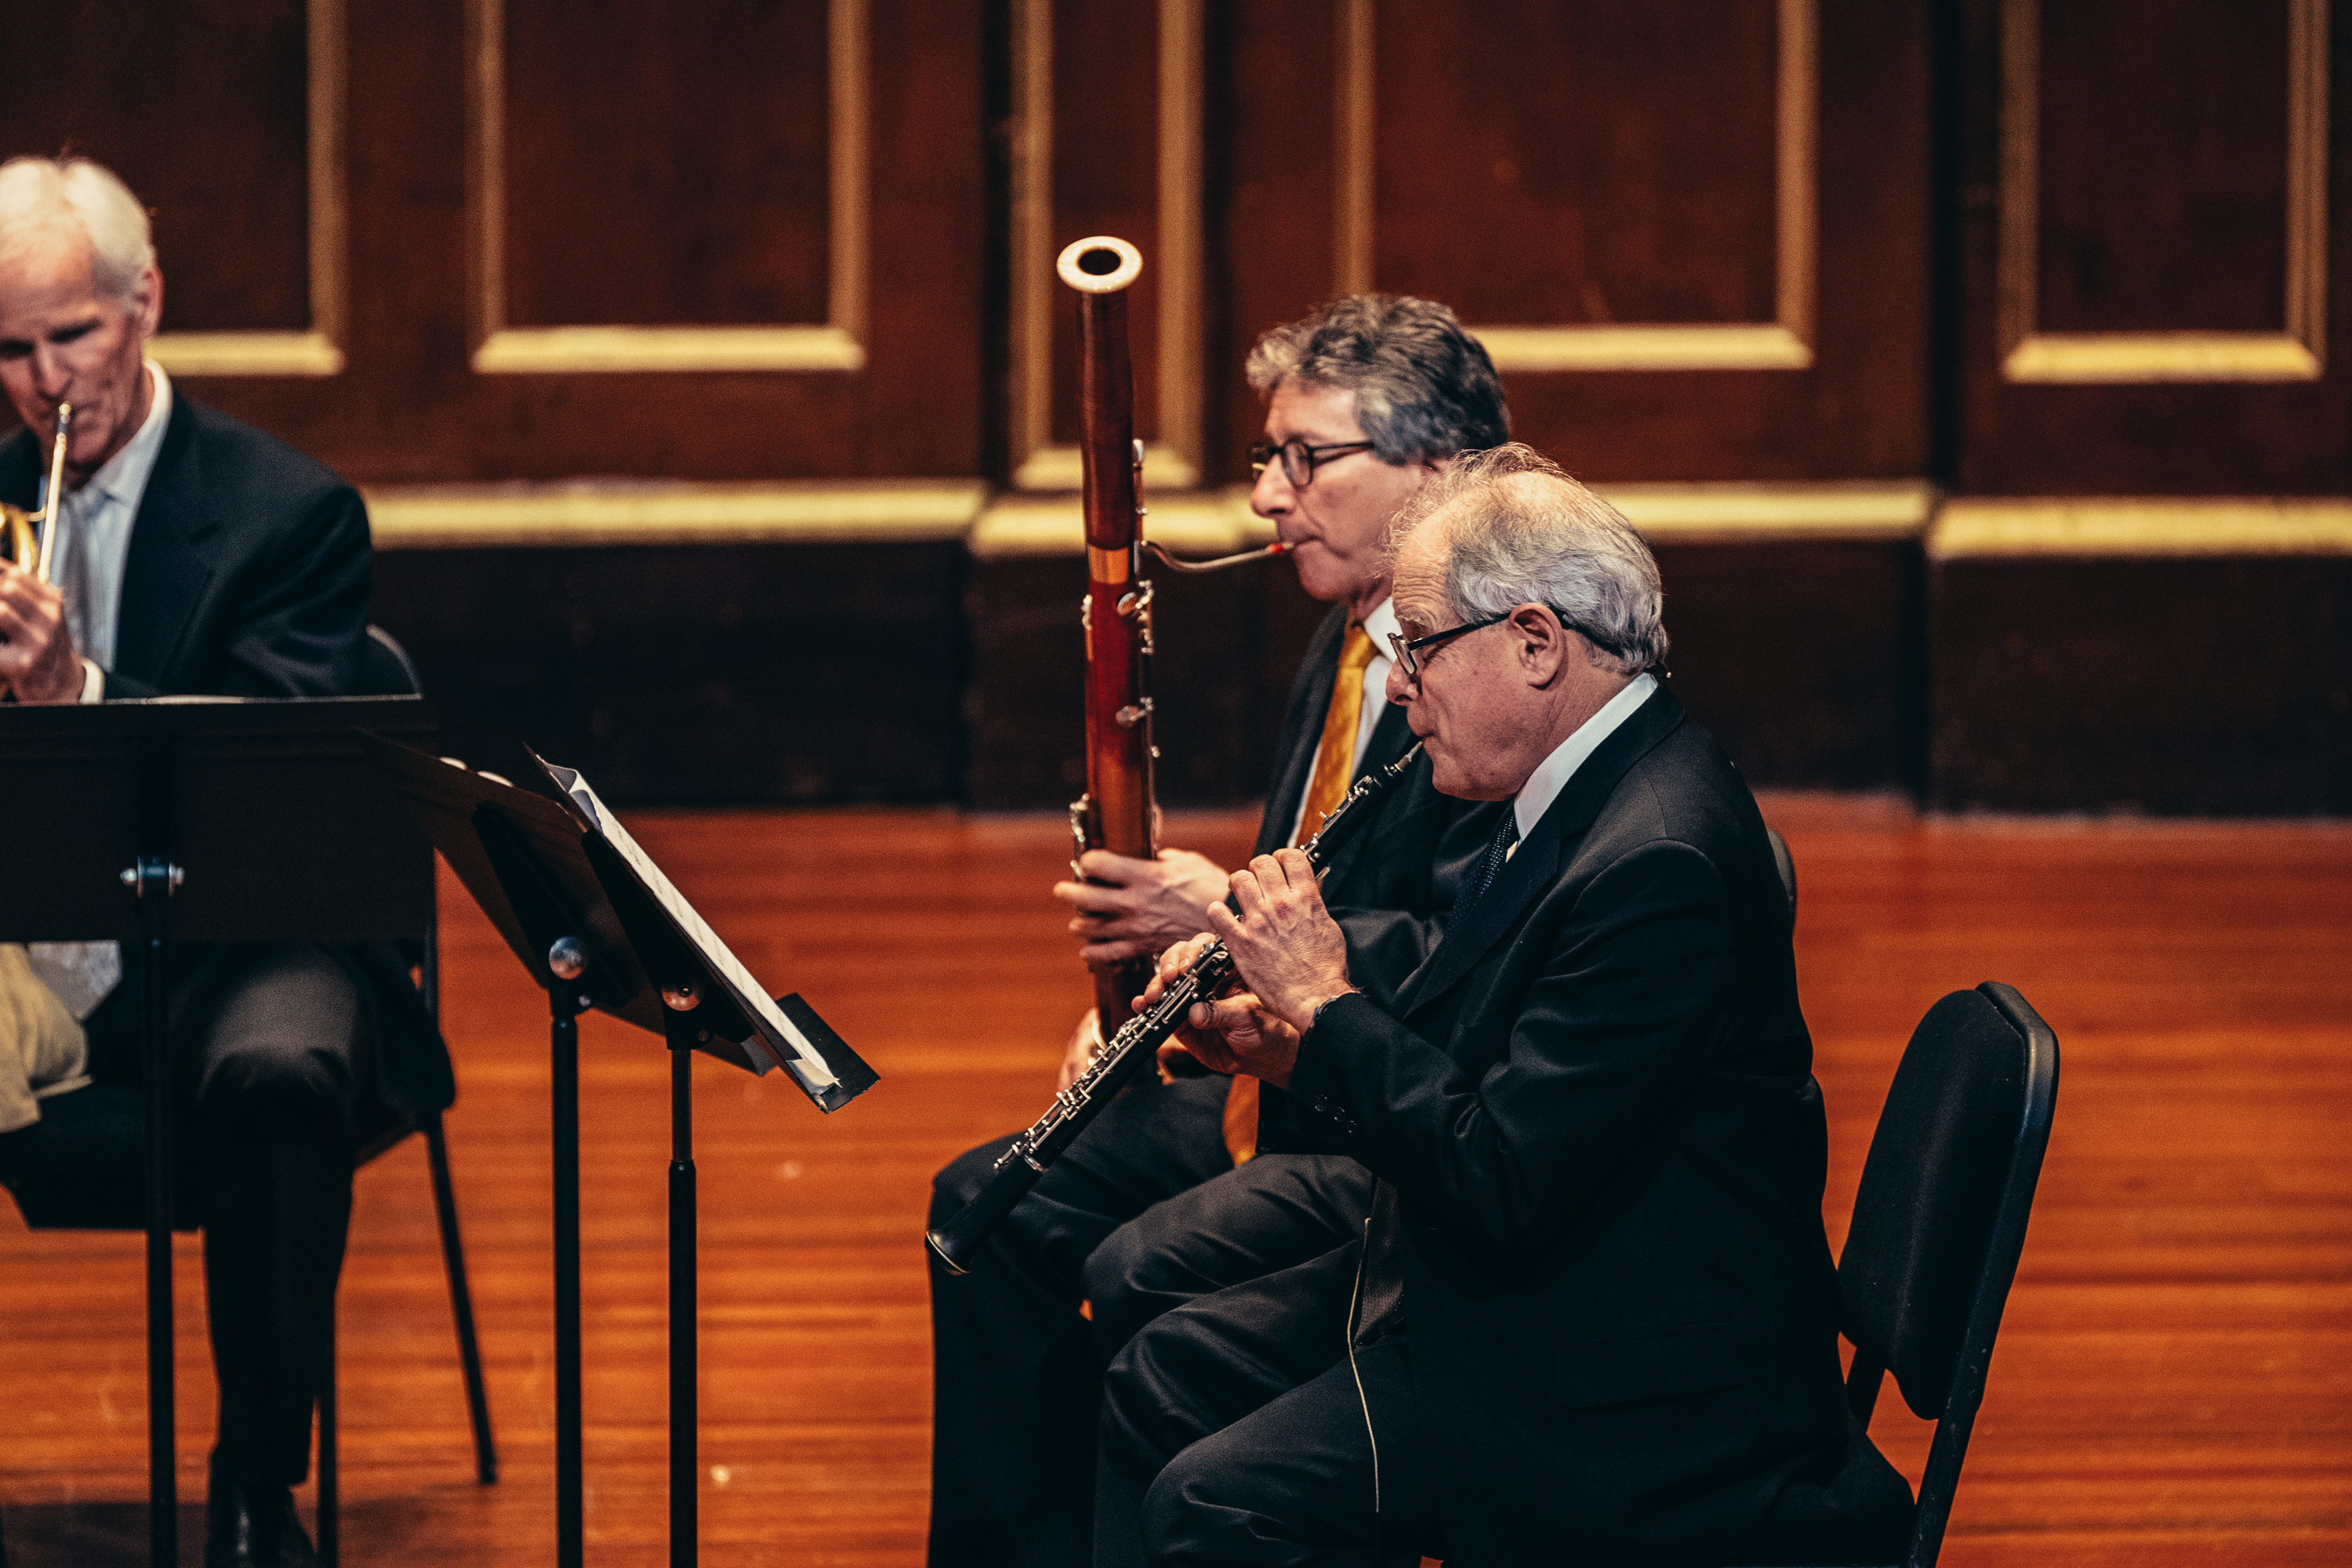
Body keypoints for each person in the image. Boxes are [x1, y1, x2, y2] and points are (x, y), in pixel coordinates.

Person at [1094, 445, 1907, 1566]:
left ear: (1535, 643)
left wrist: (1325, 1000)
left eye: (1418, 647)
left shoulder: (1659, 859)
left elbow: (1501, 1175)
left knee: (1219, 1504)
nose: (1396, 688)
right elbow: (1482, 1068)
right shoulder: (1575, 792)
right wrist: (1289, 1051)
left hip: (1626, 1391)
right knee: (1163, 1371)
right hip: (1536, 1292)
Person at [927, 296, 1508, 1567]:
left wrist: (1225, 914)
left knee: (1141, 1279)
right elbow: (1322, 870)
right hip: (1279, 1078)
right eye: (1266, 455)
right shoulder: (1348, 640)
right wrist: (1168, 1001)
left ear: (1438, 470)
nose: (1264, 497)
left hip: (1377, 1120)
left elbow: (1466, 950)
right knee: (982, 1208)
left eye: (1307, 458)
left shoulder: (1488, 682)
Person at [0, 155, 452, 1568]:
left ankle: (259, 1487)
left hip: (231, 937)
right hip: (22, 947)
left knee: (284, 1070)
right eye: (8, 351)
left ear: (144, 303)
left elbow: (276, 783)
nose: (44, 384)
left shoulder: (287, 513)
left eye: (71, 335)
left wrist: (72, 692)